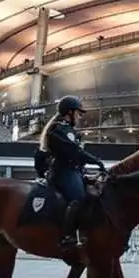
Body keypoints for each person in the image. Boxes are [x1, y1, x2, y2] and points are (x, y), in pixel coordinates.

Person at [39, 95, 106, 250]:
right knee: (78, 197)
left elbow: (76, 157)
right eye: (78, 113)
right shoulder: (61, 129)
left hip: (72, 171)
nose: (80, 116)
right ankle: (67, 236)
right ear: (69, 112)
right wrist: (96, 161)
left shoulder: (68, 130)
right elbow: (73, 151)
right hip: (62, 172)